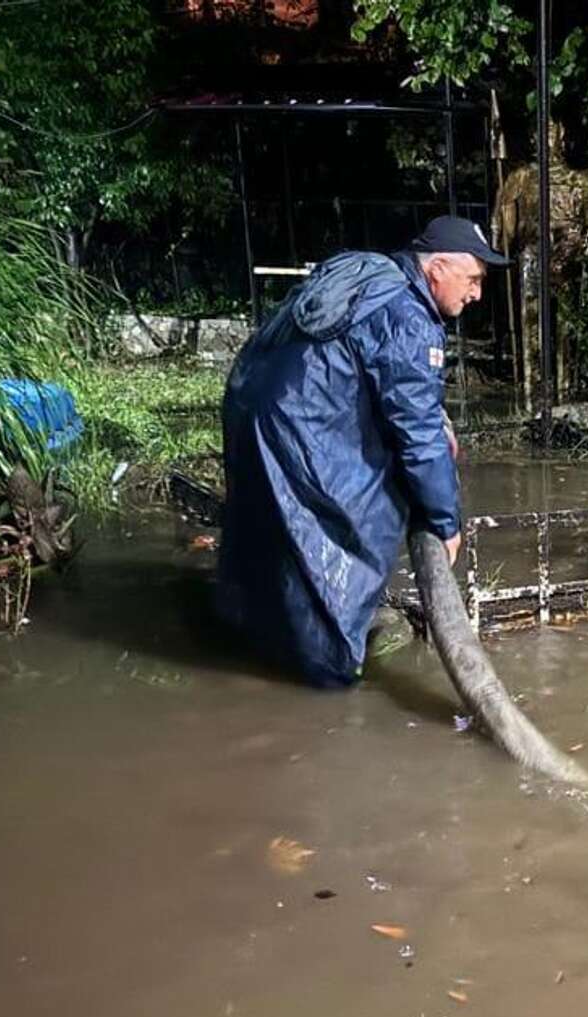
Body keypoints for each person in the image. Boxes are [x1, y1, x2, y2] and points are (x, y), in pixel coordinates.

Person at [215, 216, 507, 686]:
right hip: (302, 428)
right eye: (473, 280)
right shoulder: (408, 315)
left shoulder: (369, 276)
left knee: (269, 532)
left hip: (251, 409)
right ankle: (327, 670)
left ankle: (251, 640)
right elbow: (416, 432)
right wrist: (444, 521)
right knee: (346, 529)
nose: (476, 295)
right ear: (437, 269)